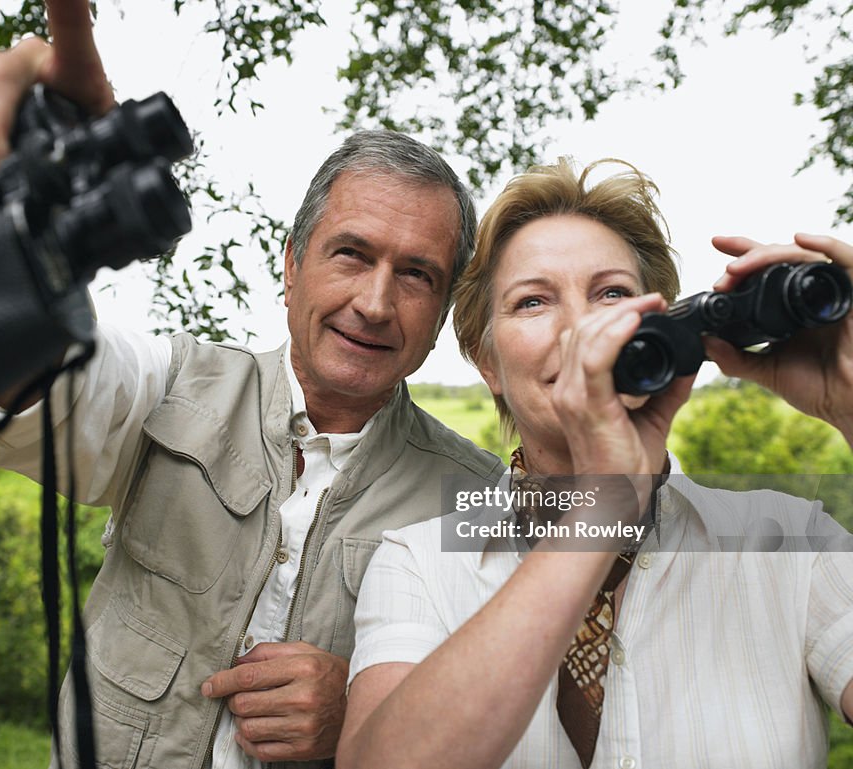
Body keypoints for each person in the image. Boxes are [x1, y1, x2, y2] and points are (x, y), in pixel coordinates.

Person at [0, 2, 505, 767]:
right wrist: (18, 234)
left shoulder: (480, 498)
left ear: (445, 305)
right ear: (290, 265)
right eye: (351, 254)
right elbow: (38, 386)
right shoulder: (172, 383)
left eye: (416, 273)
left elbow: (533, 697)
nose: (376, 303)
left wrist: (367, 709)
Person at [336, 158, 853, 769]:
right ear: (487, 362)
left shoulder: (790, 541)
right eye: (533, 302)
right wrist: (601, 508)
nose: (581, 327)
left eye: (612, 294)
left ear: (658, 326)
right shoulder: (418, 562)